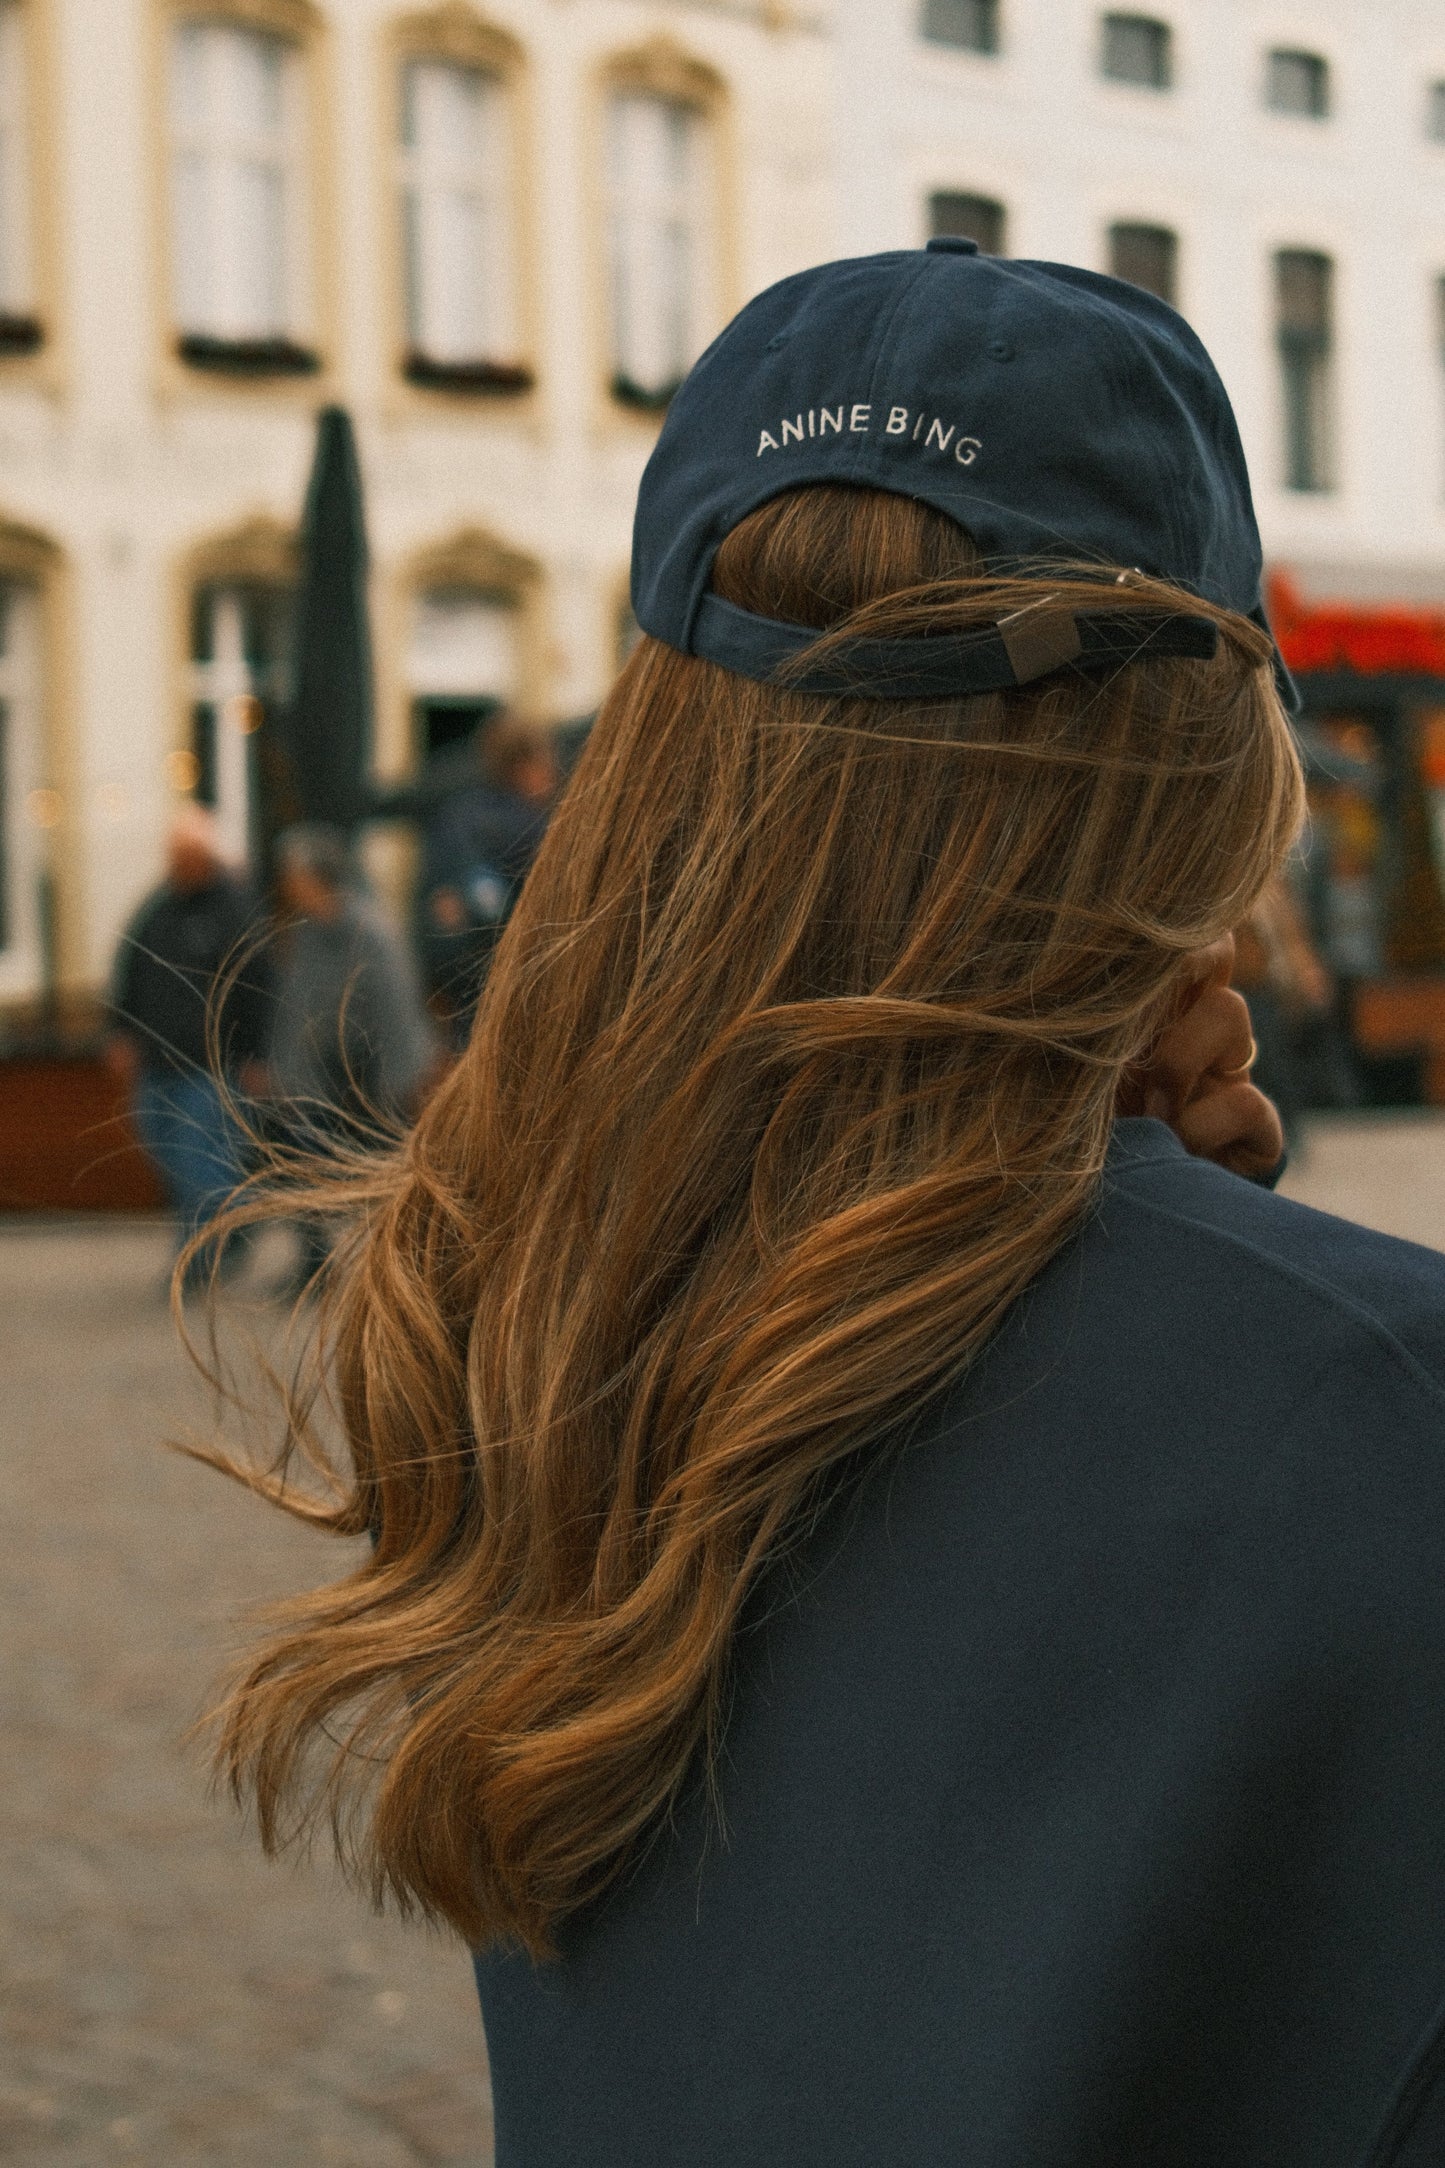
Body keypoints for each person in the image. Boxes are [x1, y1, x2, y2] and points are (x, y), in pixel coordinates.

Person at [204, 246, 1445, 2166]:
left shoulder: (527, 1334)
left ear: (658, 773)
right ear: (1205, 774)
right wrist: (1219, 1296)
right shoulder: (1383, 1408)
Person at [264, 824, 436, 1282]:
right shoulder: (304, 935)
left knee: (388, 1173)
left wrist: (399, 1088)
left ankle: (397, 1267)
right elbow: (295, 1010)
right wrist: (287, 1075)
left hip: (373, 1078)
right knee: (304, 1162)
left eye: (294, 875)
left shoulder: (371, 932)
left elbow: (397, 1012)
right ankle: (314, 1263)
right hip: (320, 1079)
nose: (287, 884)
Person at [107, 804, 269, 1281]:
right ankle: (238, 1220)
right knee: (171, 1159)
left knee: (200, 1164)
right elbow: (128, 972)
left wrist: (255, 1055)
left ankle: (196, 1260)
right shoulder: (156, 910)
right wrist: (119, 1032)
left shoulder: (234, 910)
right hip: (156, 1065)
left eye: (186, 854)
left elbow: (257, 987)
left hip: (209, 1068)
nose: (178, 864)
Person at [414, 716, 559, 1041]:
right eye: (547, 763)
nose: (552, 774)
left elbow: (429, 910)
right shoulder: (536, 833)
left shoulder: (454, 817)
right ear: (525, 766)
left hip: (459, 994)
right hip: (523, 994)